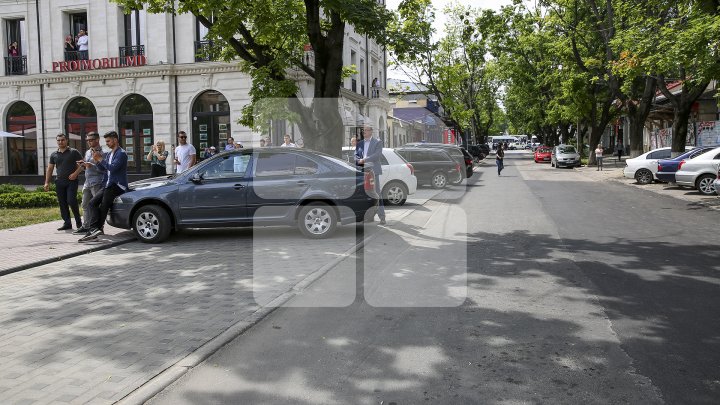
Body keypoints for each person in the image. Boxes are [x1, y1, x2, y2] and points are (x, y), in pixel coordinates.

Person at [78, 131, 128, 242]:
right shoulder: (110, 154)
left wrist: (100, 159)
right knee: (92, 203)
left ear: (115, 140)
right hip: (108, 184)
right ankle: (94, 229)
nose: (107, 143)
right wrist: (95, 162)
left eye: (108, 141)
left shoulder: (122, 153)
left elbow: (113, 168)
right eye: (106, 141)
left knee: (103, 206)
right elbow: (104, 169)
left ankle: (93, 231)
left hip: (118, 185)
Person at [44, 133, 84, 231]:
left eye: (62, 140)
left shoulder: (74, 152)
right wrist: (46, 182)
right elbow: (50, 169)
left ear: (66, 141)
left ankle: (79, 223)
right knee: (62, 203)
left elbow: (82, 165)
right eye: (58, 140)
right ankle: (67, 223)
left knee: (71, 200)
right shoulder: (54, 154)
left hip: (72, 181)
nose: (60, 142)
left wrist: (75, 174)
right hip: (59, 182)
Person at [73, 132, 105, 235]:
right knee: (85, 204)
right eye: (87, 140)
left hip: (97, 181)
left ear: (97, 140)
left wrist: (92, 165)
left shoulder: (103, 152)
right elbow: (85, 164)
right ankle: (86, 226)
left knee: (96, 205)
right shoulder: (87, 152)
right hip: (87, 182)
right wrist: (82, 164)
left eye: (91, 140)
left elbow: (105, 168)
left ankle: (99, 227)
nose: (89, 142)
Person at [355, 125, 386, 225]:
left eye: (366, 130)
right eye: (363, 131)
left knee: (376, 193)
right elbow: (355, 154)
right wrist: (357, 160)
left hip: (373, 172)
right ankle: (369, 216)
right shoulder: (360, 143)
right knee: (364, 195)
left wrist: (364, 159)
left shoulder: (377, 142)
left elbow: (377, 155)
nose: (364, 132)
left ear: (371, 132)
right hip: (362, 172)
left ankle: (382, 217)